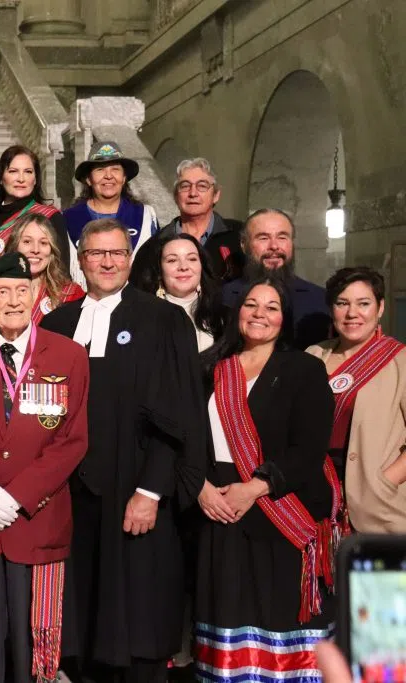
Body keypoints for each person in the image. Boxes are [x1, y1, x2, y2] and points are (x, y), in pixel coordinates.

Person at [40, 218, 205, 683]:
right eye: (96, 254)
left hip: (136, 489)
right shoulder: (57, 323)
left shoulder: (164, 320)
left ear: (130, 260)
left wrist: (151, 490)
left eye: (116, 253)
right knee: (83, 622)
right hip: (72, 495)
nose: (107, 262)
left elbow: (179, 415)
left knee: (138, 624)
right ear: (81, 260)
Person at [0, 252, 90, 683]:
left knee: (34, 643)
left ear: (36, 297)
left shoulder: (68, 355)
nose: (13, 300)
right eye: (2, 292)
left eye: (22, 290)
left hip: (39, 518)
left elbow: (73, 439)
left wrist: (16, 495)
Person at [195, 278, 337, 683]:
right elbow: (187, 439)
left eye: (272, 307)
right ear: (236, 312)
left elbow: (310, 447)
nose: (259, 314)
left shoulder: (304, 369)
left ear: (284, 318)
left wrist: (255, 487)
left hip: (278, 507)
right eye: (251, 305)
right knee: (226, 615)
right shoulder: (208, 369)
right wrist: (202, 488)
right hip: (217, 508)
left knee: (276, 616)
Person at [306, 267, 406, 533]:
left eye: (364, 304)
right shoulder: (313, 355)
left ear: (380, 307)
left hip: (376, 505)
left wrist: (382, 482)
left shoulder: (400, 360)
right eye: (342, 304)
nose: (352, 314)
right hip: (314, 500)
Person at [222, 208, 331, 349]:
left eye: (282, 237)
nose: (274, 246)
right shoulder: (223, 298)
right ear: (244, 245)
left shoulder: (320, 300)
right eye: (263, 238)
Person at [63, 142, 158, 287]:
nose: (108, 176)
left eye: (115, 169)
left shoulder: (145, 216)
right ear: (88, 179)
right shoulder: (68, 219)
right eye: (100, 169)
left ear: (124, 177)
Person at [133, 158, 242, 283]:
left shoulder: (239, 236)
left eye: (202, 186)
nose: (193, 193)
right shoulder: (154, 246)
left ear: (216, 195)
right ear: (175, 196)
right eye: (185, 186)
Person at [131, 232, 225, 352]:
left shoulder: (223, 317)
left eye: (192, 259)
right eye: (172, 260)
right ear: (159, 271)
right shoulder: (141, 316)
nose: (183, 267)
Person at [0, 145, 69, 260]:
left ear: (35, 179)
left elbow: (62, 271)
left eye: (28, 172)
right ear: (0, 178)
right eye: (13, 171)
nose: (21, 179)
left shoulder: (50, 217)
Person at [5, 213, 84, 326]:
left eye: (43, 243)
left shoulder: (71, 293)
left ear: (51, 250)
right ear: (14, 246)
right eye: (27, 241)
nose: (35, 250)